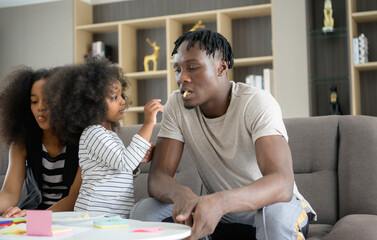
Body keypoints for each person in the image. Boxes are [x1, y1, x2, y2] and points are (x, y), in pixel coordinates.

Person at [130, 29, 316, 240]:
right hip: (221, 216)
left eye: (192, 68)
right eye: (177, 69)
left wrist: (219, 202)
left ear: (221, 67)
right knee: (145, 211)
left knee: (275, 216)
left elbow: (281, 183)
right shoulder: (176, 105)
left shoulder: (256, 103)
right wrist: (181, 195)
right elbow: (158, 177)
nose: (182, 78)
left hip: (270, 209)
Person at [43, 57, 163, 218]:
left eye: (121, 95)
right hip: (95, 214)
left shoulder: (110, 136)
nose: (122, 102)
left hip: (113, 215)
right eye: (114, 97)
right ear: (92, 104)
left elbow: (120, 168)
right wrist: (148, 123)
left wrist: (136, 164)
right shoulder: (93, 133)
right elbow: (124, 162)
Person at [0, 67, 82, 218]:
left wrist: (38, 217)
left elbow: (75, 197)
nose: (40, 107)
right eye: (34, 101)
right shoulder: (22, 143)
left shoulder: (84, 142)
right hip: (32, 215)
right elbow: (10, 193)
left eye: (49, 100)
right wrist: (30, 217)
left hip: (70, 218)